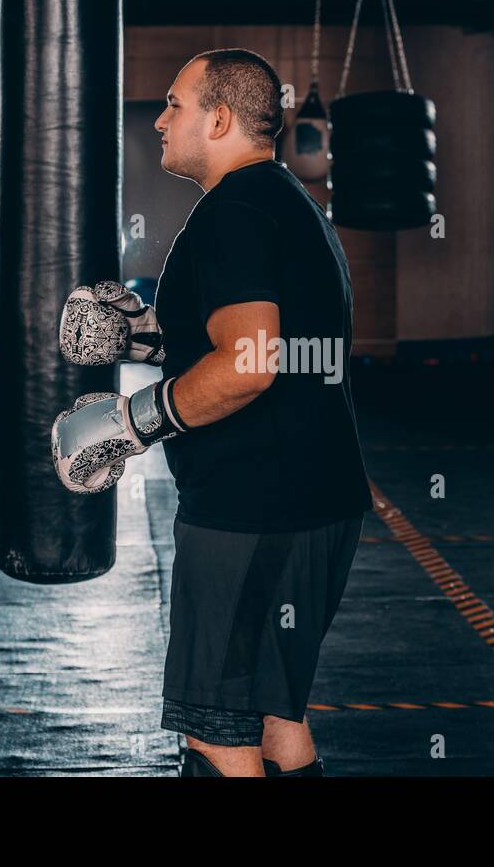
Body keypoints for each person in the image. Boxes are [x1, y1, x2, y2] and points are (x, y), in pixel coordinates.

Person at [151, 48, 372, 777]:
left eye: (175, 104)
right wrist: (149, 330)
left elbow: (250, 362)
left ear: (217, 119)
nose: (161, 119)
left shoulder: (231, 214)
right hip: (321, 503)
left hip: (249, 514)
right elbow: (265, 332)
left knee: (219, 738)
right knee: (280, 724)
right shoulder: (293, 207)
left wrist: (138, 420)